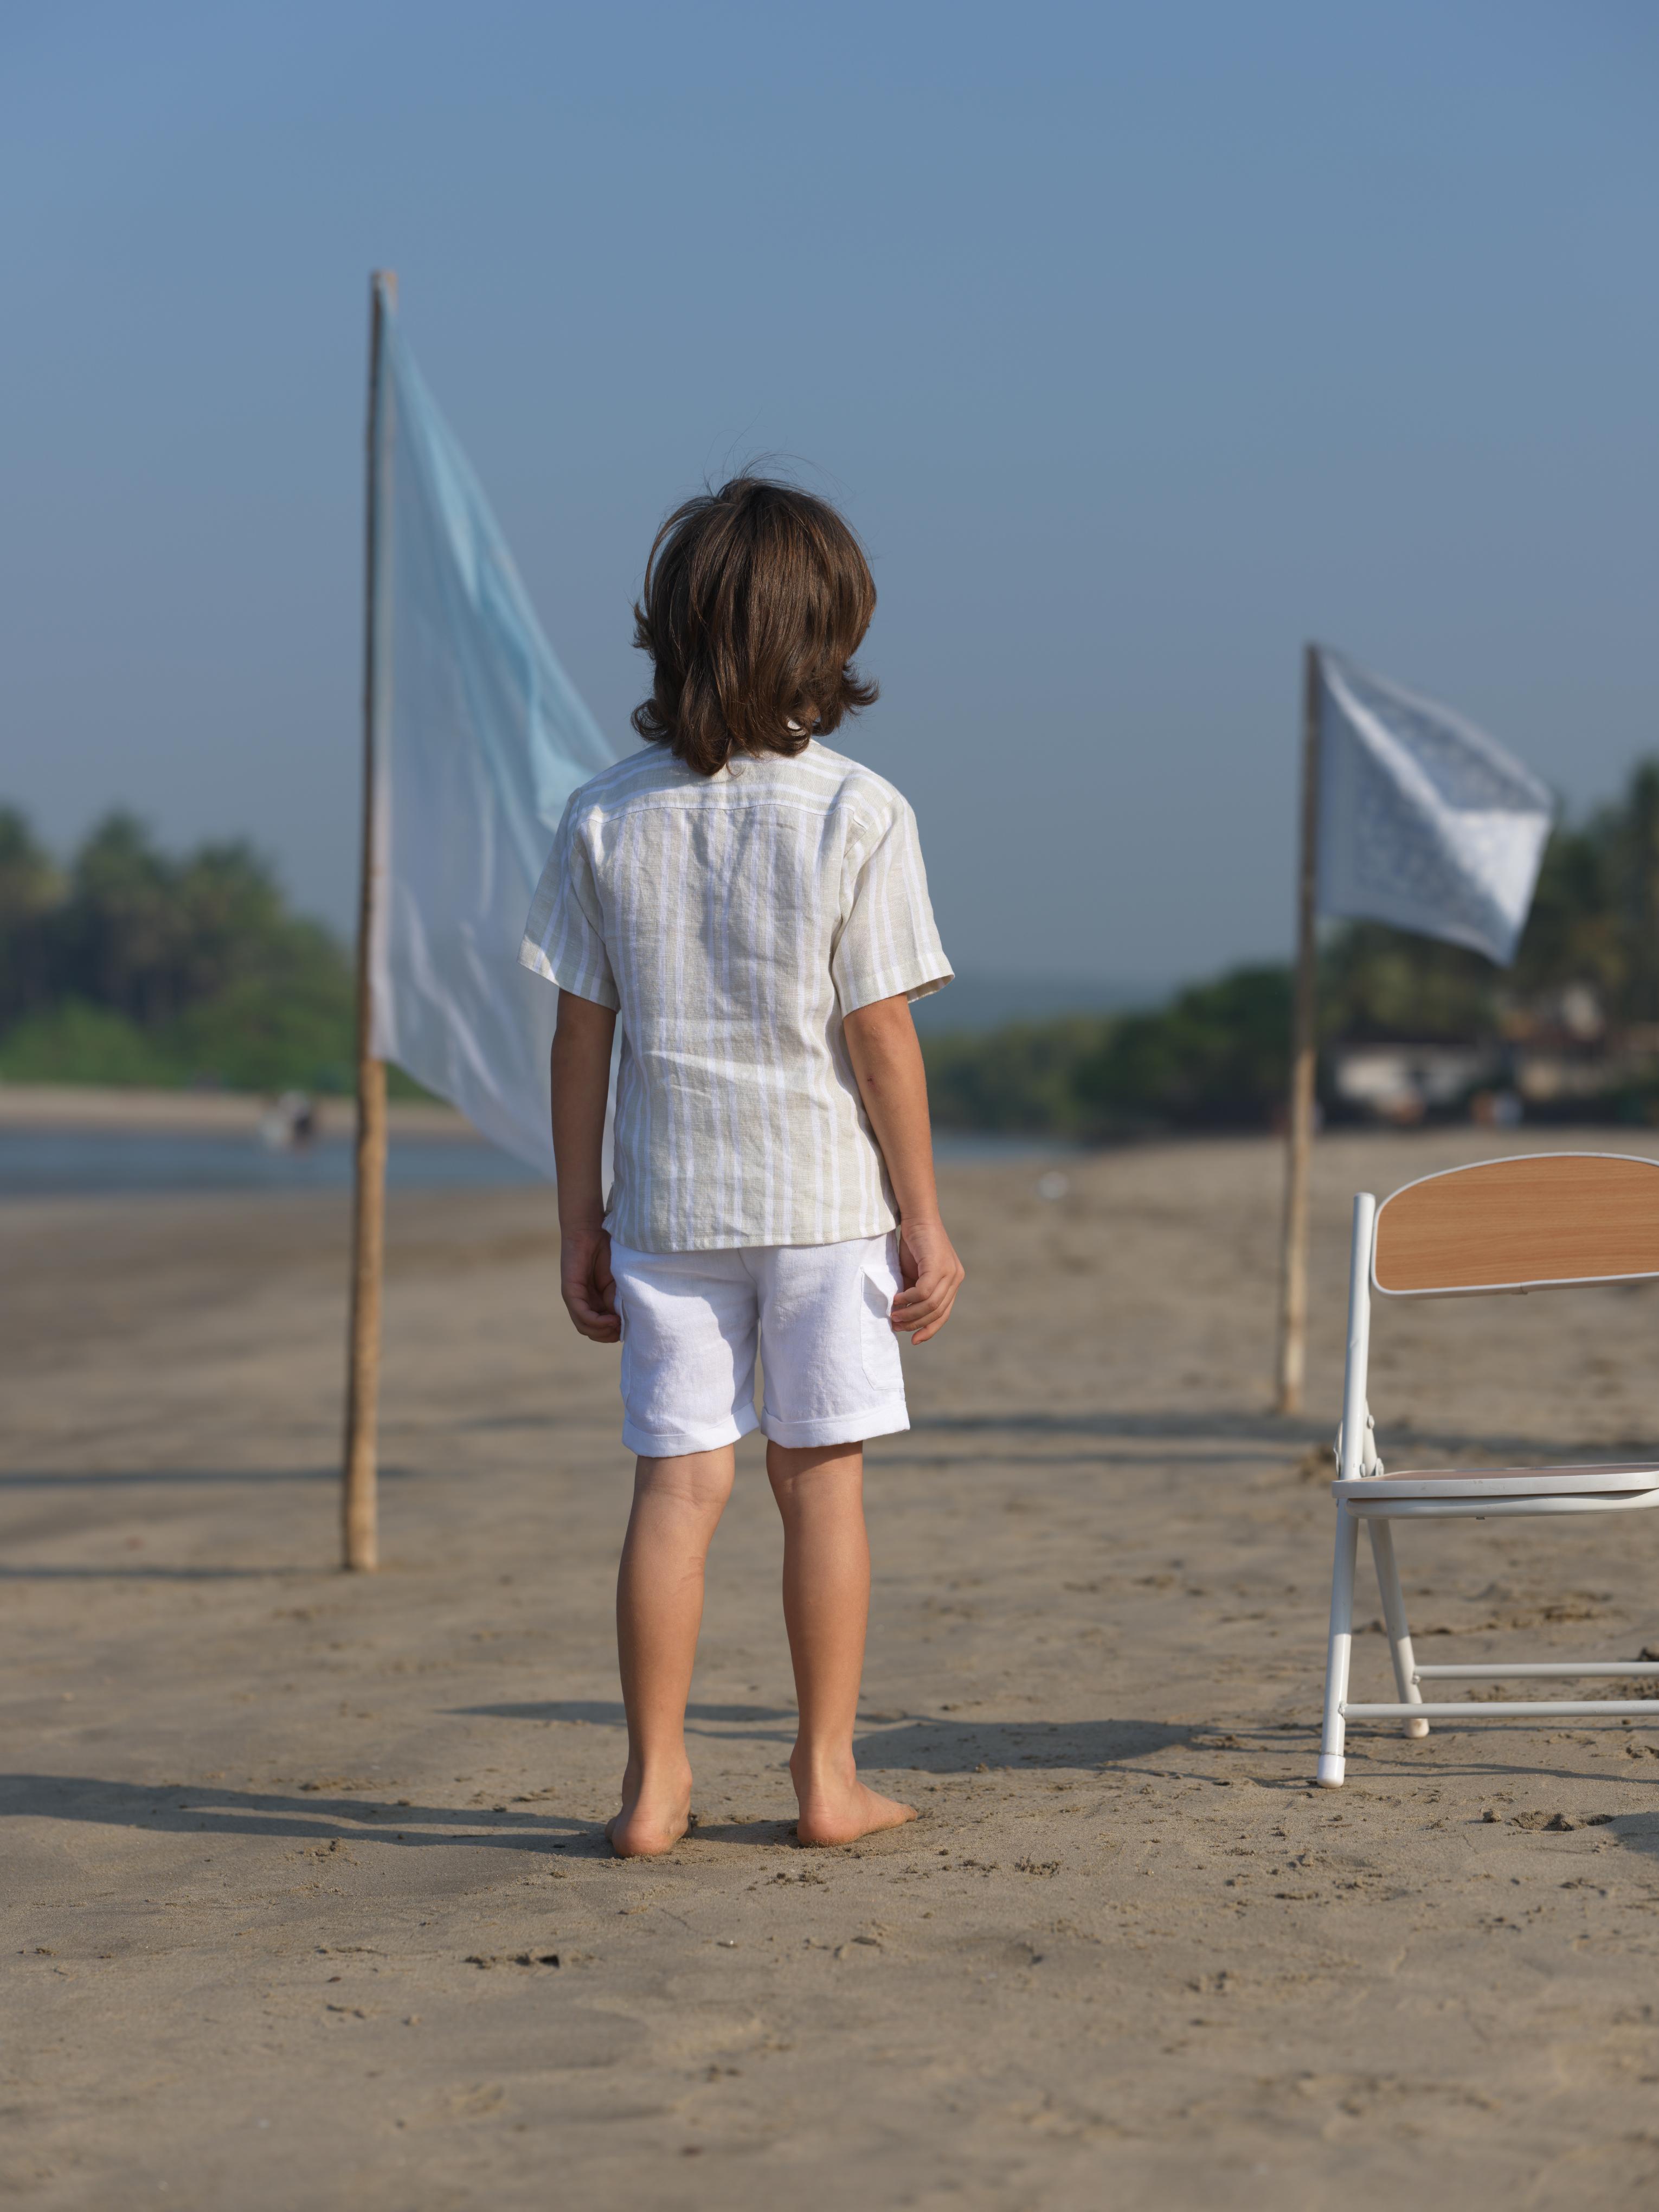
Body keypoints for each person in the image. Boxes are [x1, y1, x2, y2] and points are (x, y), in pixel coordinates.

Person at [519, 476, 964, 1856]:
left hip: (666, 1202)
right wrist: (926, 1220)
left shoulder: (605, 814)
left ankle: (655, 1787)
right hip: (825, 1204)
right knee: (818, 1480)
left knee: (677, 1484)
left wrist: (575, 1219)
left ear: (669, 634)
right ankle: (825, 1780)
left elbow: (578, 1042)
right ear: (828, 640)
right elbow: (879, 1035)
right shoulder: (860, 812)